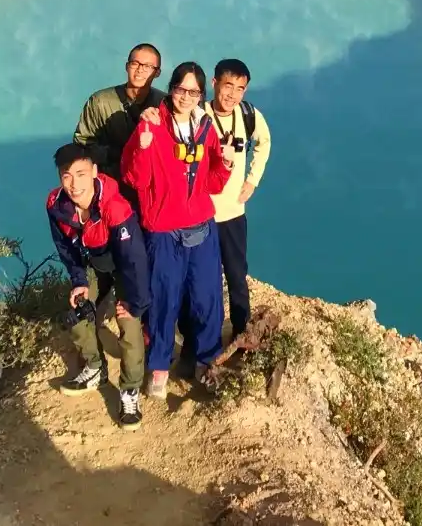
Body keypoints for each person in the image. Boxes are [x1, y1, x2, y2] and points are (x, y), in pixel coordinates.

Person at [121, 61, 230, 399]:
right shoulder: (151, 124)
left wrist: (224, 163)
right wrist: (142, 143)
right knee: (163, 300)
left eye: (194, 91)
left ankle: (205, 358)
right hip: (164, 230)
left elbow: (212, 183)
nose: (187, 96)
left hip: (201, 227)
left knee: (207, 298)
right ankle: (159, 367)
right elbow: (134, 178)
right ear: (171, 89)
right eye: (181, 89)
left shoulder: (206, 128)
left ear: (201, 95)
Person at [46, 142, 150, 429]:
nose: (74, 184)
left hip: (123, 268)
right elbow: (65, 248)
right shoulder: (56, 206)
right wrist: (79, 282)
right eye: (67, 175)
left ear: (93, 171)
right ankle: (95, 369)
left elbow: (134, 260)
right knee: (78, 310)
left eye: (81, 174)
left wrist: (135, 302)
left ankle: (129, 388)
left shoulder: (114, 207)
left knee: (128, 324)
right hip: (93, 265)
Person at [204, 58, 271, 337]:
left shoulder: (247, 115)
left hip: (233, 213)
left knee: (236, 276)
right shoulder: (197, 115)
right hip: (201, 214)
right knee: (204, 280)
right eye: (227, 85)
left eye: (240, 88)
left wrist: (252, 181)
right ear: (214, 83)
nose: (232, 94)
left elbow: (264, 143)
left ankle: (241, 332)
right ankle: (206, 336)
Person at [73, 44, 165, 177]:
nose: (140, 70)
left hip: (149, 182)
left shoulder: (163, 103)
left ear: (157, 73)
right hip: (110, 183)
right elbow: (82, 144)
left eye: (148, 66)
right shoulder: (100, 102)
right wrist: (117, 153)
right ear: (127, 66)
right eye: (135, 63)